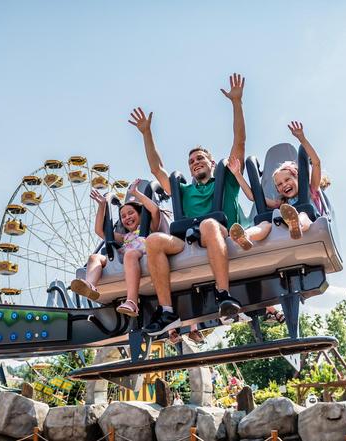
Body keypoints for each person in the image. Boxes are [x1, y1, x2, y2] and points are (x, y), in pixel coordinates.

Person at [128, 73, 247, 336]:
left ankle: (224, 295)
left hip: (219, 232)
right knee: (155, 240)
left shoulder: (225, 181)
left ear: (212, 162)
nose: (195, 162)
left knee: (207, 224)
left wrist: (236, 104)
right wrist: (147, 133)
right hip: (188, 240)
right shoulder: (184, 190)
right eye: (192, 160)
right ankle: (167, 312)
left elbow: (239, 144)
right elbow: (157, 169)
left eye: (200, 157)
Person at [226, 120, 324, 250]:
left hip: (309, 223)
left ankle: (297, 225)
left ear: (298, 177)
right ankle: (245, 235)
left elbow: (316, 163)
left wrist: (302, 138)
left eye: (287, 180)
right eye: (279, 184)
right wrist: (237, 174)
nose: (284, 185)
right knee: (265, 224)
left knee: (303, 215)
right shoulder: (282, 203)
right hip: (283, 226)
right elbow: (253, 197)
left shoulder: (311, 190)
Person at [70, 179, 161, 317]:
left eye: (131, 213)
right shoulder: (125, 236)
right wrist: (102, 206)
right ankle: (90, 285)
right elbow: (100, 231)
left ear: (141, 214)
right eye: (123, 216)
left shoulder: (149, 228)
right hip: (121, 258)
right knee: (94, 257)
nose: (127, 218)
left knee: (130, 254)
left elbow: (154, 210)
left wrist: (136, 193)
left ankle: (132, 301)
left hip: (140, 255)